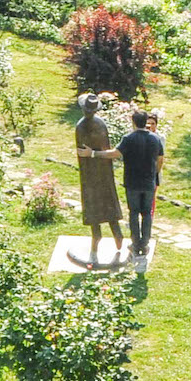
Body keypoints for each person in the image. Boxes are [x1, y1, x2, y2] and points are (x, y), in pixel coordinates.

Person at [72, 94, 126, 265]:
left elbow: (82, 153)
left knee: (94, 207)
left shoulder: (81, 126)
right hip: (102, 172)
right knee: (108, 204)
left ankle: (98, 245)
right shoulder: (100, 124)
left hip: (91, 174)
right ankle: (116, 236)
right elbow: (105, 149)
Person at [116, 109, 165, 258]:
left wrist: (93, 153)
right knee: (147, 213)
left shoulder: (128, 138)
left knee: (133, 213)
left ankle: (135, 243)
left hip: (132, 182)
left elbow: (115, 154)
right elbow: (160, 159)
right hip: (149, 182)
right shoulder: (155, 139)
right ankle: (145, 243)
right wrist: (154, 173)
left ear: (133, 121)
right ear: (145, 122)